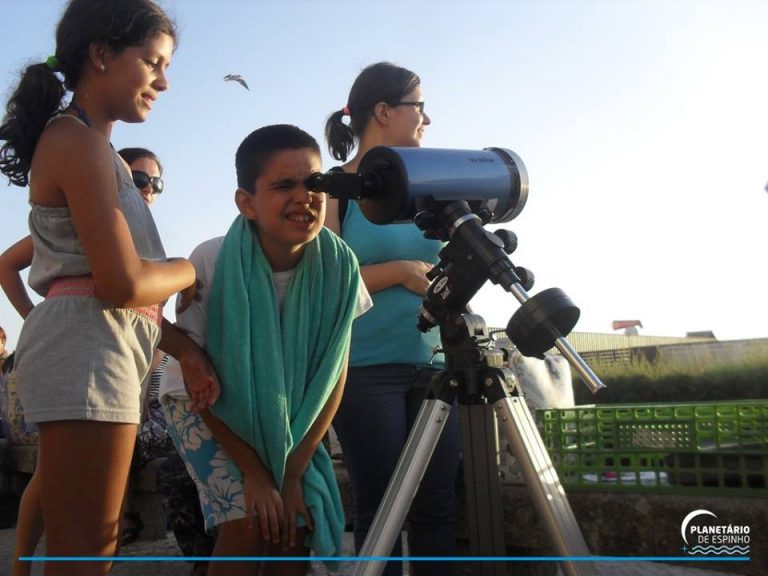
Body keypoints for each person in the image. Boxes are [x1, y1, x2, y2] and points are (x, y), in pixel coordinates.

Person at [0, 1, 218, 574]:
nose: (163, 81)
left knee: (90, 547)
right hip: (86, 353)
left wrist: (186, 350)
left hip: (98, 349)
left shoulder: (91, 149)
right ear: (101, 55)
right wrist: (190, 268)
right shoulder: (79, 144)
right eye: (152, 62)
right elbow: (123, 284)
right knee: (86, 553)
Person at [159, 124, 370, 576]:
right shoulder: (212, 261)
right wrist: (254, 474)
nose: (304, 197)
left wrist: (293, 472)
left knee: (294, 522)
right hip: (201, 403)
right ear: (246, 203)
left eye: (314, 183)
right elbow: (201, 384)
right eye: (283, 185)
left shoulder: (340, 268)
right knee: (250, 522)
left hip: (292, 411)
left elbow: (334, 377)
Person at [324, 62, 461, 576]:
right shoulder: (337, 189)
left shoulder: (432, 188)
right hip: (366, 369)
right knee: (380, 509)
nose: (428, 118)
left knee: (437, 507)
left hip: (437, 366)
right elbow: (328, 283)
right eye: (419, 106)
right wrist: (401, 270)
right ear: (383, 112)